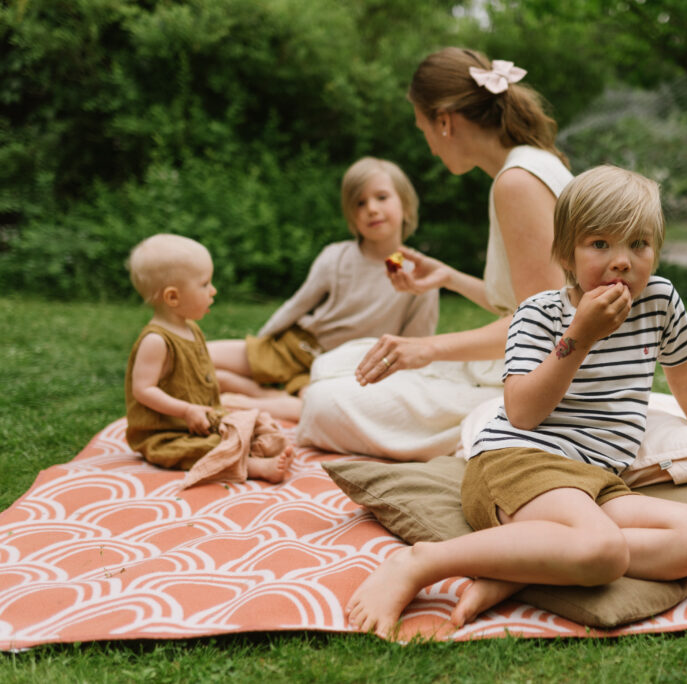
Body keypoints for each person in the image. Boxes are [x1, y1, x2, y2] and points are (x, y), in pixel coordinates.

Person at [345, 166, 687, 637]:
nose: (622, 261)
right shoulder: (540, 314)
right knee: (603, 552)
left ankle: (520, 570)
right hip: (520, 459)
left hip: (597, 479)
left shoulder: (659, 302)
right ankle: (421, 562)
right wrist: (580, 337)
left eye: (639, 244)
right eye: (600, 244)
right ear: (567, 252)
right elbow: (524, 413)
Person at [296, 48, 572, 459]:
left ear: (444, 121)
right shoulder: (527, 166)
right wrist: (448, 277)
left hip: (540, 389)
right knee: (332, 365)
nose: (428, 145)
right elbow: (535, 302)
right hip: (520, 368)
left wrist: (428, 348)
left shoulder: (518, 182)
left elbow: (544, 327)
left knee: (323, 402)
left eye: (422, 128)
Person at [207, 157, 439, 423]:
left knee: (321, 407)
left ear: (407, 206)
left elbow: (414, 345)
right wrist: (261, 345)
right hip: (299, 347)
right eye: (359, 203)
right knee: (200, 356)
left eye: (382, 197)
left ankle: (260, 398)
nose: (371, 209)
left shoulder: (421, 274)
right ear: (350, 215)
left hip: (343, 370)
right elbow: (297, 305)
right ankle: (259, 388)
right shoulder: (335, 256)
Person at [125, 233, 293, 483]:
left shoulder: (191, 329)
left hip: (201, 420)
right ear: (173, 297)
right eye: (204, 284)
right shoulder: (156, 341)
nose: (213, 291)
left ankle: (256, 446)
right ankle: (254, 466)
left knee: (251, 420)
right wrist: (186, 410)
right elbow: (143, 390)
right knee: (207, 449)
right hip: (168, 433)